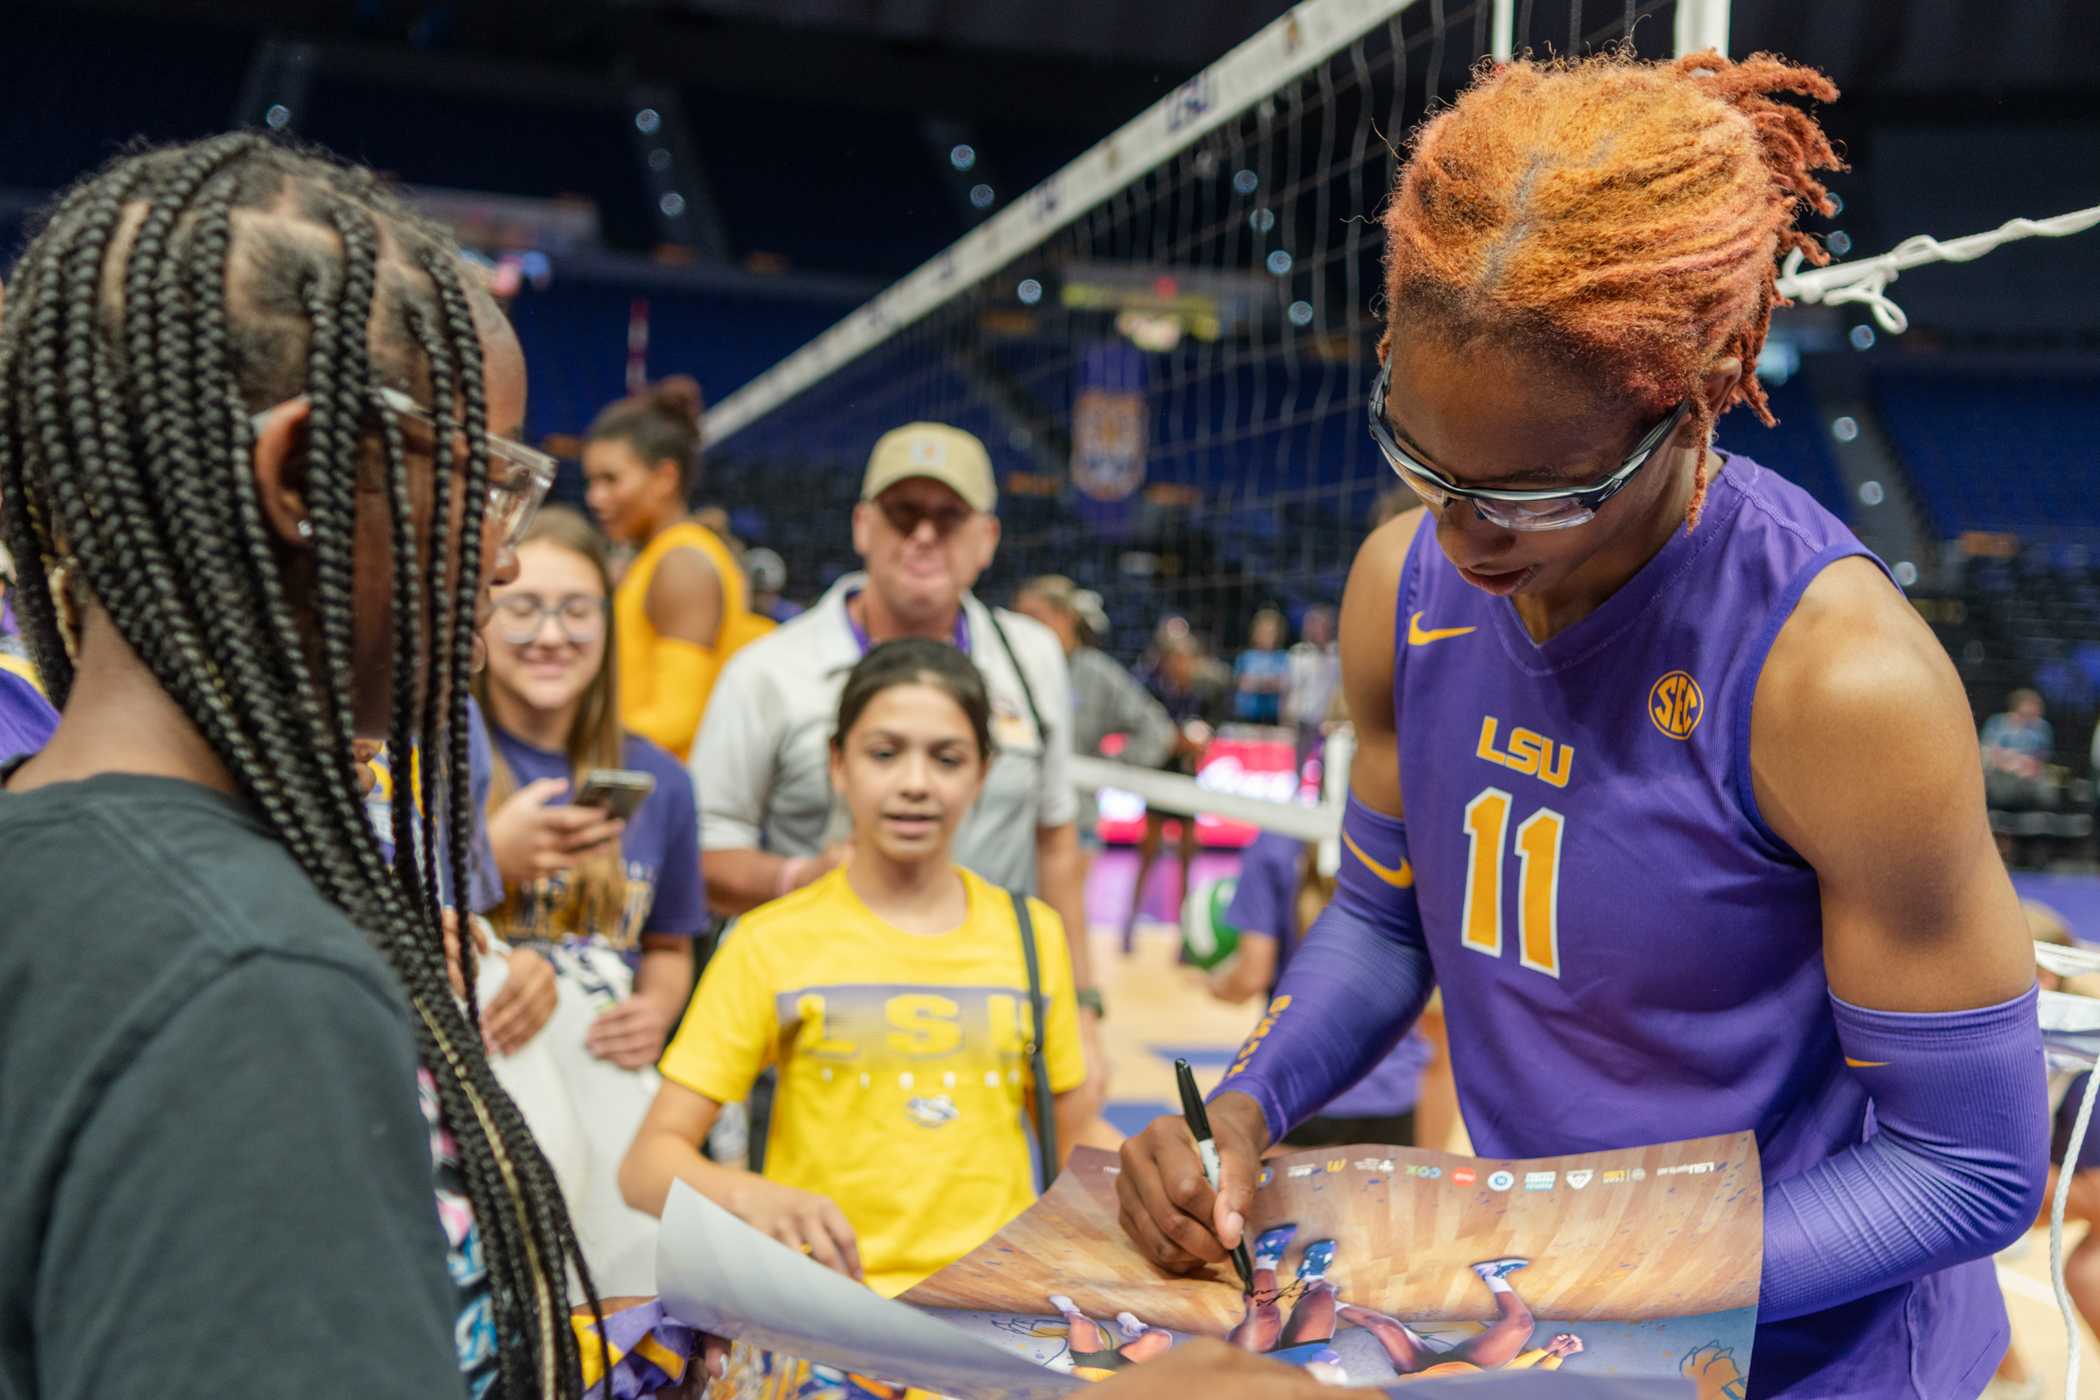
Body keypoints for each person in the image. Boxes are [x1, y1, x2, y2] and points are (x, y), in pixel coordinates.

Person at [1116, 51, 2045, 1397]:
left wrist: (1596, 1269)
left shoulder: (1839, 685)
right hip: (1545, 1315)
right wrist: (1247, 1105)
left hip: (1804, 1358)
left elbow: (1972, 1170)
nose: (1460, 533)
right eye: (1422, 458)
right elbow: (1386, 923)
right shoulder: (1405, 587)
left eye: (1533, 493)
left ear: (1703, 386)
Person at [0, 135, 592, 1395]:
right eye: (487, 481)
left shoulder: (54, 860)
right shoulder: (253, 992)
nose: (503, 558)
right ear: (296, 476)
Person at [622, 640, 1092, 1297]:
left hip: (994, 1319)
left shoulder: (1031, 934)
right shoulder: (769, 940)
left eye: (947, 758)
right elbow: (647, 1165)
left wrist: (1169, 1176)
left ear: (982, 773)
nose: (915, 782)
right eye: (884, 753)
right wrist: (750, 1197)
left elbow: (1077, 1145)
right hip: (832, 1320)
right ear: (837, 765)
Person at [691, 422, 1108, 1113]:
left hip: (991, 1037)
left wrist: (1085, 1010)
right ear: (862, 526)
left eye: (948, 516)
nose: (922, 535)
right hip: (814, 1042)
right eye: (901, 513)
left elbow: (1055, 841)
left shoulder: (1032, 657)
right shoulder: (768, 673)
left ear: (987, 540)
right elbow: (701, 853)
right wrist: (797, 878)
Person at [473, 503, 709, 1292]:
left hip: (612, 1099)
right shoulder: (441, 760)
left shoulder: (662, 780)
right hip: (494, 1098)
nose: (551, 635)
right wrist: (490, 858)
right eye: (524, 609)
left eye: (575, 610)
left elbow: (671, 942)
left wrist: (659, 1006)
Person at [582, 375, 772, 760]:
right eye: (590, 481)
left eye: (610, 479)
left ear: (665, 478)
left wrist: (578, 747)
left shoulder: (681, 564)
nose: (594, 497)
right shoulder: (663, 556)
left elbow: (678, 717)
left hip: (661, 793)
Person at [1209, 830, 1437, 1149]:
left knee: (1278, 1200)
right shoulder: (1399, 837)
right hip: (1391, 1091)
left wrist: (1216, 984)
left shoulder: (1272, 844)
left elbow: (1251, 975)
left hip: (1298, 1085)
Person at [1011, 574, 1177, 848]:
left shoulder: (1095, 672)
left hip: (1075, 823)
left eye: (1033, 616)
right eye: (1017, 617)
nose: (1021, 628)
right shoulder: (1009, 669)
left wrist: (1105, 766)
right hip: (1014, 823)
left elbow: (1158, 731)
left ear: (1067, 618)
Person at [1121, 631, 1231, 949]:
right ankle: (1128, 926)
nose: (1181, 664)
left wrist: (1187, 743)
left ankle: (1186, 936)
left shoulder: (1205, 695)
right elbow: (1156, 738)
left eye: (1185, 658)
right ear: (1166, 662)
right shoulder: (1154, 693)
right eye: (1175, 658)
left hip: (1187, 786)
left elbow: (1203, 743)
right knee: (1147, 855)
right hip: (1159, 782)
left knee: (1186, 861)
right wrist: (1177, 741)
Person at [1050, 1295, 1176, 1380]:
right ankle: (1137, 1329)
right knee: (1161, 1338)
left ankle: (1071, 1311)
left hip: (1091, 1366)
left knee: (1082, 1325)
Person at [1981, 687, 2058, 810]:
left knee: (2045, 782)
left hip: (2028, 773)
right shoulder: (1997, 722)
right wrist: (2009, 761)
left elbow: (2042, 755)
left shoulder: (2042, 728)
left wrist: (2026, 764)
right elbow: (1989, 748)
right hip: (2000, 769)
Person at [1282, 605, 1340, 763]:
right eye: (1313, 624)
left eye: (1323, 625)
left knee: (1326, 765)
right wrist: (1286, 719)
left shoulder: (1336, 654)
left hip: (1328, 722)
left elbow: (1339, 689)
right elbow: (1288, 688)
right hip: (1301, 720)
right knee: (1298, 762)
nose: (1317, 629)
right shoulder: (1298, 652)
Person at [1233, 609, 1290, 726]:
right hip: (1246, 715)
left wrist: (1256, 682)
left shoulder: (1283, 657)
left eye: (1272, 632)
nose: (1267, 636)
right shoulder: (1246, 657)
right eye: (1264, 631)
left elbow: (1283, 685)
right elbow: (1242, 685)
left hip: (1272, 717)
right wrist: (1268, 683)